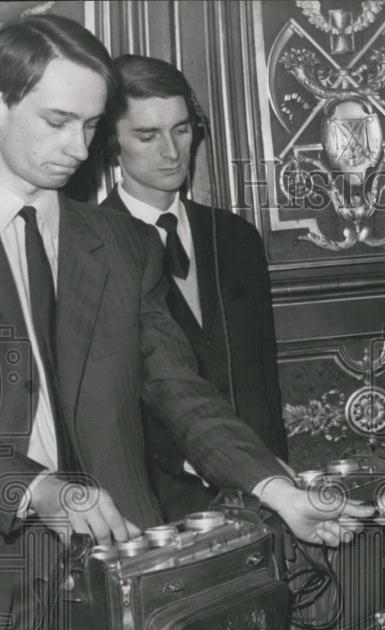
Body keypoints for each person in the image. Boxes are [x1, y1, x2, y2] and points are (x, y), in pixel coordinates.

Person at [0, 16, 370, 630]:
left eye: (89, 126)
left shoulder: (119, 243)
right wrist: (37, 489)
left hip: (134, 581)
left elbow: (182, 392)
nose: (78, 148)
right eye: (57, 121)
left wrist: (277, 491)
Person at [98, 54, 287, 522]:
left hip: (262, 500)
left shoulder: (236, 238)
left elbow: (263, 381)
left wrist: (276, 481)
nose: (171, 152)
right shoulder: (90, 252)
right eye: (147, 135)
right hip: (158, 514)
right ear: (110, 141)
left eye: (181, 130)